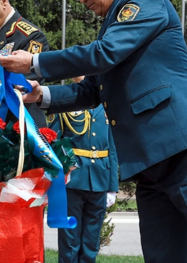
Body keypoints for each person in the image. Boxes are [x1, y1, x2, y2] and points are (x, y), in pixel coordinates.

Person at [0, 0, 187, 263]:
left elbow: (104, 54)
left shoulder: (144, 1)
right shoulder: (113, 27)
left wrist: (35, 62)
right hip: (149, 166)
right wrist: (41, 94)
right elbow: (91, 91)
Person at [48, 77, 118, 263]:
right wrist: (59, 177)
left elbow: (112, 148)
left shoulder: (106, 106)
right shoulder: (66, 107)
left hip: (100, 179)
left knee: (91, 239)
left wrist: (112, 186)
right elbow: (54, 142)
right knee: (70, 239)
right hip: (74, 179)